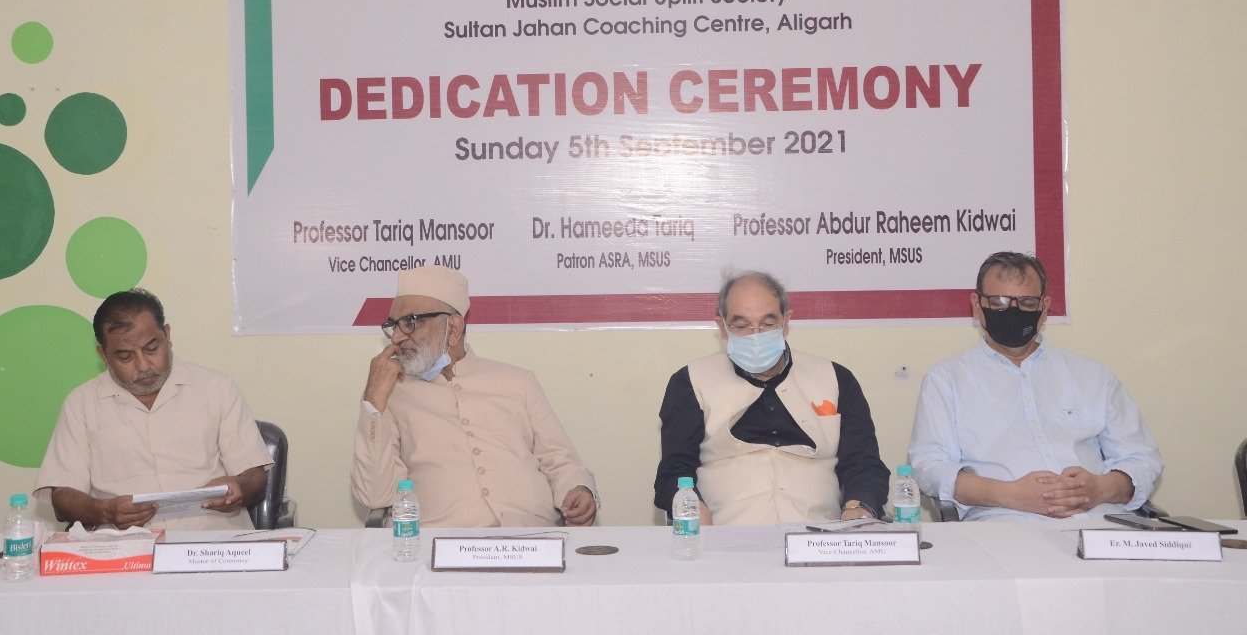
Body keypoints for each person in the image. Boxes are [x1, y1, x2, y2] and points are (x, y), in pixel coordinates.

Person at [908, 251, 1164, 520]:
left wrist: (1100, 488)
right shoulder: (947, 379)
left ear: (1044, 308)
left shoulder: (1094, 375)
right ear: (977, 305)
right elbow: (928, 468)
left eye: (1028, 302)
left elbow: (1143, 458)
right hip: (1005, 526)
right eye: (999, 302)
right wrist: (1011, 494)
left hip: (1100, 523)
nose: (1013, 311)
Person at [352, 265, 598, 527]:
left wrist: (577, 489)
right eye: (394, 325)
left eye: (411, 322)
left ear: (454, 328)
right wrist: (373, 401)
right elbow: (374, 495)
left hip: (529, 539)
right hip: (438, 545)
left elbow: (560, 460)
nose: (398, 336)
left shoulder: (517, 381)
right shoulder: (392, 394)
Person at [654, 270, 889, 525]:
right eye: (742, 326)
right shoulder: (690, 381)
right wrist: (692, 507)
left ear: (786, 322)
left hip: (820, 535)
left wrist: (858, 506)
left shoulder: (836, 378)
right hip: (724, 536)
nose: (756, 335)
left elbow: (863, 463)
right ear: (722, 327)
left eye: (767, 324)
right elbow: (674, 471)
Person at [34, 289, 271, 530]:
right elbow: (62, 498)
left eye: (151, 348)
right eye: (125, 356)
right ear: (103, 355)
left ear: (167, 335)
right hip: (124, 549)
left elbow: (255, 477)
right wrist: (103, 511)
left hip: (213, 543)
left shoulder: (217, 388)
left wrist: (240, 487)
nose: (144, 366)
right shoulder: (82, 403)